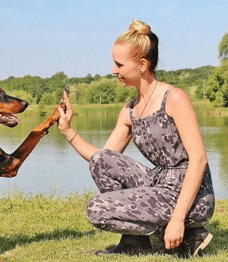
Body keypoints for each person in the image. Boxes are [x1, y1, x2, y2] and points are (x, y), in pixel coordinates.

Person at [57, 19, 215, 257]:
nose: (113, 70)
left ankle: (182, 232)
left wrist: (178, 219)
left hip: (191, 194)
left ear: (142, 64)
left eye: (119, 64)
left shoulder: (174, 98)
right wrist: (68, 131)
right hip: (159, 183)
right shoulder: (129, 111)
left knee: (96, 209)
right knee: (101, 161)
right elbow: (102, 157)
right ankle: (135, 243)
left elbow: (199, 160)